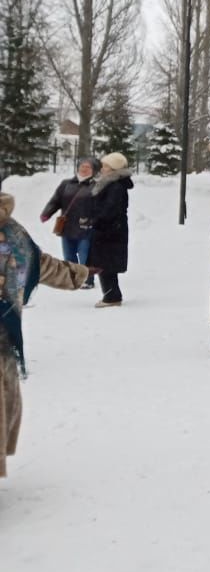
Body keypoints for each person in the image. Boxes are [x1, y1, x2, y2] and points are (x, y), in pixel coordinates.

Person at [2, 192, 91, 478]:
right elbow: (43, 265)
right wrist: (78, 274)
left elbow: (40, 264)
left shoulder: (12, 234)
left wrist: (77, 274)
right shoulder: (13, 233)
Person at [40, 157, 101, 290]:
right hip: (67, 226)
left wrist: (93, 220)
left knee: (85, 255)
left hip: (85, 227)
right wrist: (47, 213)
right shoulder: (66, 184)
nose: (84, 169)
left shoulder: (96, 186)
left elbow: (99, 207)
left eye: (88, 167)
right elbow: (55, 201)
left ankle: (88, 280)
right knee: (69, 256)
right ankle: (73, 279)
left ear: (94, 170)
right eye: (82, 166)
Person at [87, 153, 133, 308]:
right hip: (108, 230)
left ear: (114, 169)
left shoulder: (116, 186)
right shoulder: (108, 183)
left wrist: (94, 220)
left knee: (106, 264)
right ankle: (111, 295)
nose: (102, 168)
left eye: (106, 166)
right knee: (105, 264)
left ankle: (112, 297)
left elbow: (110, 210)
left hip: (110, 231)